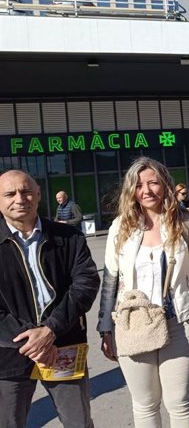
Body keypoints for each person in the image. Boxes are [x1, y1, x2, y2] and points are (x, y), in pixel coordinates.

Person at [98, 157, 189, 428]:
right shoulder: (121, 226)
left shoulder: (185, 223)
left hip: (179, 322)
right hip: (132, 323)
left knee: (180, 401)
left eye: (153, 183)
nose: (147, 190)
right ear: (131, 190)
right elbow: (110, 279)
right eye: (139, 185)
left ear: (165, 184)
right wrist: (105, 328)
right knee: (145, 403)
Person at [0, 170, 100, 428]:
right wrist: (33, 340)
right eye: (10, 194)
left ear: (39, 194)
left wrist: (50, 330)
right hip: (10, 353)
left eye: (26, 191)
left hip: (63, 345)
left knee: (78, 422)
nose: (20, 198)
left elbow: (86, 283)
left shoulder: (68, 237)